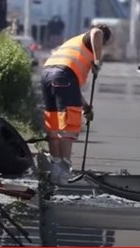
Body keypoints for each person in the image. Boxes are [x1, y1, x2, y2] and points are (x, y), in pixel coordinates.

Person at [40, 24, 111, 184]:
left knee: (54, 124)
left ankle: (55, 169)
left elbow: (71, 89)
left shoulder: (74, 44)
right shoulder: (92, 35)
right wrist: (98, 61)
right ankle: (64, 171)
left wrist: (85, 106)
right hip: (63, 75)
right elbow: (97, 32)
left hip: (47, 75)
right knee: (69, 125)